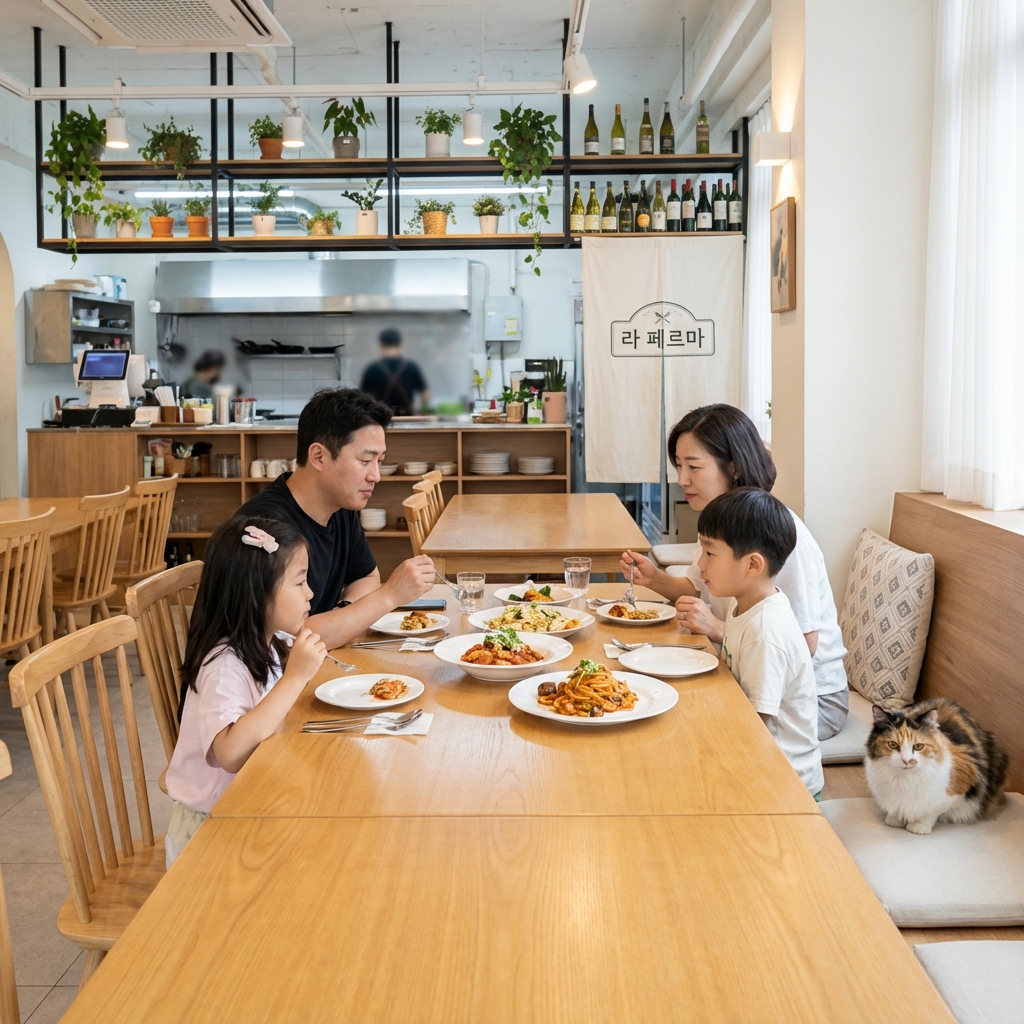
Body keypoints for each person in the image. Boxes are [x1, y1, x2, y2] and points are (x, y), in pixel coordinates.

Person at [620, 404, 849, 740]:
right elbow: (700, 588)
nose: (682, 480)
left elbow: (804, 644)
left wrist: (716, 628)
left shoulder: (775, 535)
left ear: (734, 468)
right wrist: (654, 578)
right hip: (747, 672)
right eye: (679, 466)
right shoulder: (723, 521)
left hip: (809, 700)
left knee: (675, 722)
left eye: (694, 467)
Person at [164, 517, 327, 865]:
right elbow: (231, 754)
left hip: (251, 805)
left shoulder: (267, 643)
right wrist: (294, 679)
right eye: (300, 582)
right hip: (211, 832)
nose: (310, 592)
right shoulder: (223, 665)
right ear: (257, 593)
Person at [237, 387, 435, 649]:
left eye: (380, 461)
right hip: (265, 684)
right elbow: (285, 642)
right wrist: (390, 596)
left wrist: (343, 615)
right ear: (319, 456)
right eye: (366, 460)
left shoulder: (340, 506)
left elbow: (366, 577)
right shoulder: (265, 527)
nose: (376, 475)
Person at [697, 488, 823, 799]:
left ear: (753, 565)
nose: (701, 564)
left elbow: (752, 727)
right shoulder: (747, 606)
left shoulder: (766, 632)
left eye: (710, 553)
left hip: (783, 784)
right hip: (759, 762)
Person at [359, 328, 430, 416]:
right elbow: (425, 395)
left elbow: (362, 399)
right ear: (400, 345)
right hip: (408, 419)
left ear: (381, 345)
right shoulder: (412, 367)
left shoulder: (372, 369)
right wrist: (421, 412)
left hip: (382, 419)